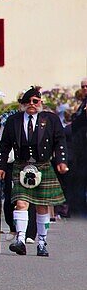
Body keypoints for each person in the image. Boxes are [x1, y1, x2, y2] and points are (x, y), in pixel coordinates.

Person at [0, 86, 69, 256]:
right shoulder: (14, 120)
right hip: (21, 165)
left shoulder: (50, 119)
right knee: (20, 203)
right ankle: (20, 239)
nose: (31, 104)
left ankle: (42, 242)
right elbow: (4, 144)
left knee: (42, 206)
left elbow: (60, 141)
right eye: (27, 101)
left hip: (43, 165)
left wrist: (61, 161)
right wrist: (0, 165)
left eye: (35, 101)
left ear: (40, 102)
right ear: (22, 104)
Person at [63, 82, 87, 217]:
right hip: (79, 150)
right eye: (83, 86)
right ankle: (77, 209)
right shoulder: (82, 104)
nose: (84, 89)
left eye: (86, 86)